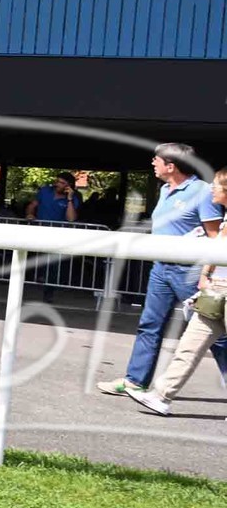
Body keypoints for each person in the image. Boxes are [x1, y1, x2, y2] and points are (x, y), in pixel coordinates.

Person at [99, 143, 225, 396]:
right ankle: (135, 381)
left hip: (190, 273)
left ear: (171, 166)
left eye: (156, 160)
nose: (152, 163)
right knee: (150, 324)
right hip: (161, 269)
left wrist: (207, 274)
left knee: (214, 334)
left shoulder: (201, 192)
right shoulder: (166, 189)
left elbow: (217, 239)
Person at [125, 168, 227, 415]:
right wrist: (205, 277)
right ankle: (161, 396)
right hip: (215, 289)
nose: (211, 188)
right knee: (188, 346)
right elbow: (216, 249)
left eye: (216, 185)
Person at [27, 172, 81, 303]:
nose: (57, 184)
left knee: (53, 265)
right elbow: (32, 205)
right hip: (39, 231)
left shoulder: (73, 199)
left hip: (57, 236)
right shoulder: (45, 191)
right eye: (57, 181)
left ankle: (48, 292)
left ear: (69, 186)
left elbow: (71, 218)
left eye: (62, 183)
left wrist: (69, 199)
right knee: (34, 258)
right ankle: (30, 281)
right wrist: (29, 214)